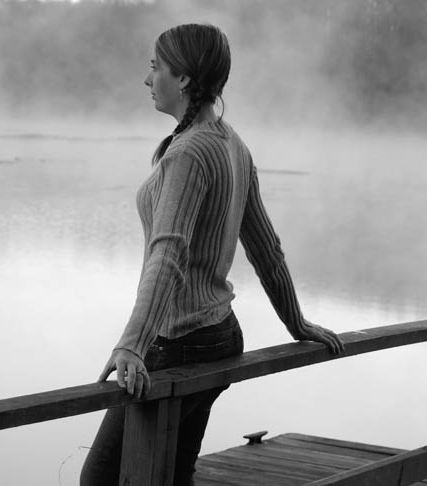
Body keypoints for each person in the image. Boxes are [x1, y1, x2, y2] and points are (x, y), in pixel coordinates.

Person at [79, 24, 345, 486]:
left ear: (183, 79)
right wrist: (295, 323)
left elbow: (168, 255)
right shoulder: (231, 143)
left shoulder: (190, 154)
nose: (147, 80)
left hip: (177, 343)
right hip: (219, 337)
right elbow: (267, 249)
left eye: (154, 67)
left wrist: (132, 344)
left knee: (99, 479)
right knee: (174, 474)